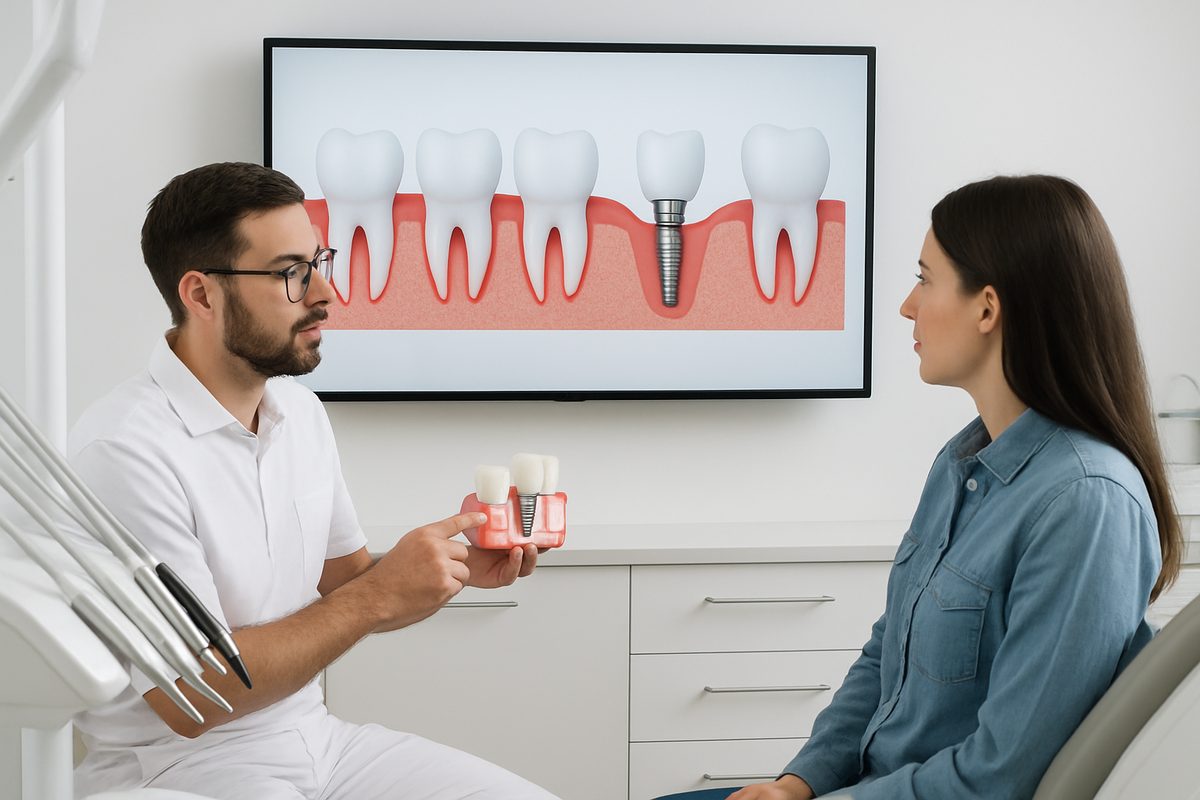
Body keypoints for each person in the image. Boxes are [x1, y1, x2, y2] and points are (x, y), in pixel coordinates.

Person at [70, 162, 558, 800]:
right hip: (184, 770)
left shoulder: (299, 413)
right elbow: (194, 692)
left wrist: (455, 565)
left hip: (316, 741)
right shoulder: (124, 451)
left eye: (319, 262)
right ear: (202, 295)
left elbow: (347, 587)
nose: (326, 293)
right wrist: (377, 595)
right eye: (291, 272)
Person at [729, 175, 1183, 800]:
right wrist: (799, 782)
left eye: (924, 279)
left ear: (987, 309)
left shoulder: (1086, 502)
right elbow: (887, 656)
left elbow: (1002, 775)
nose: (906, 306)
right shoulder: (963, 462)